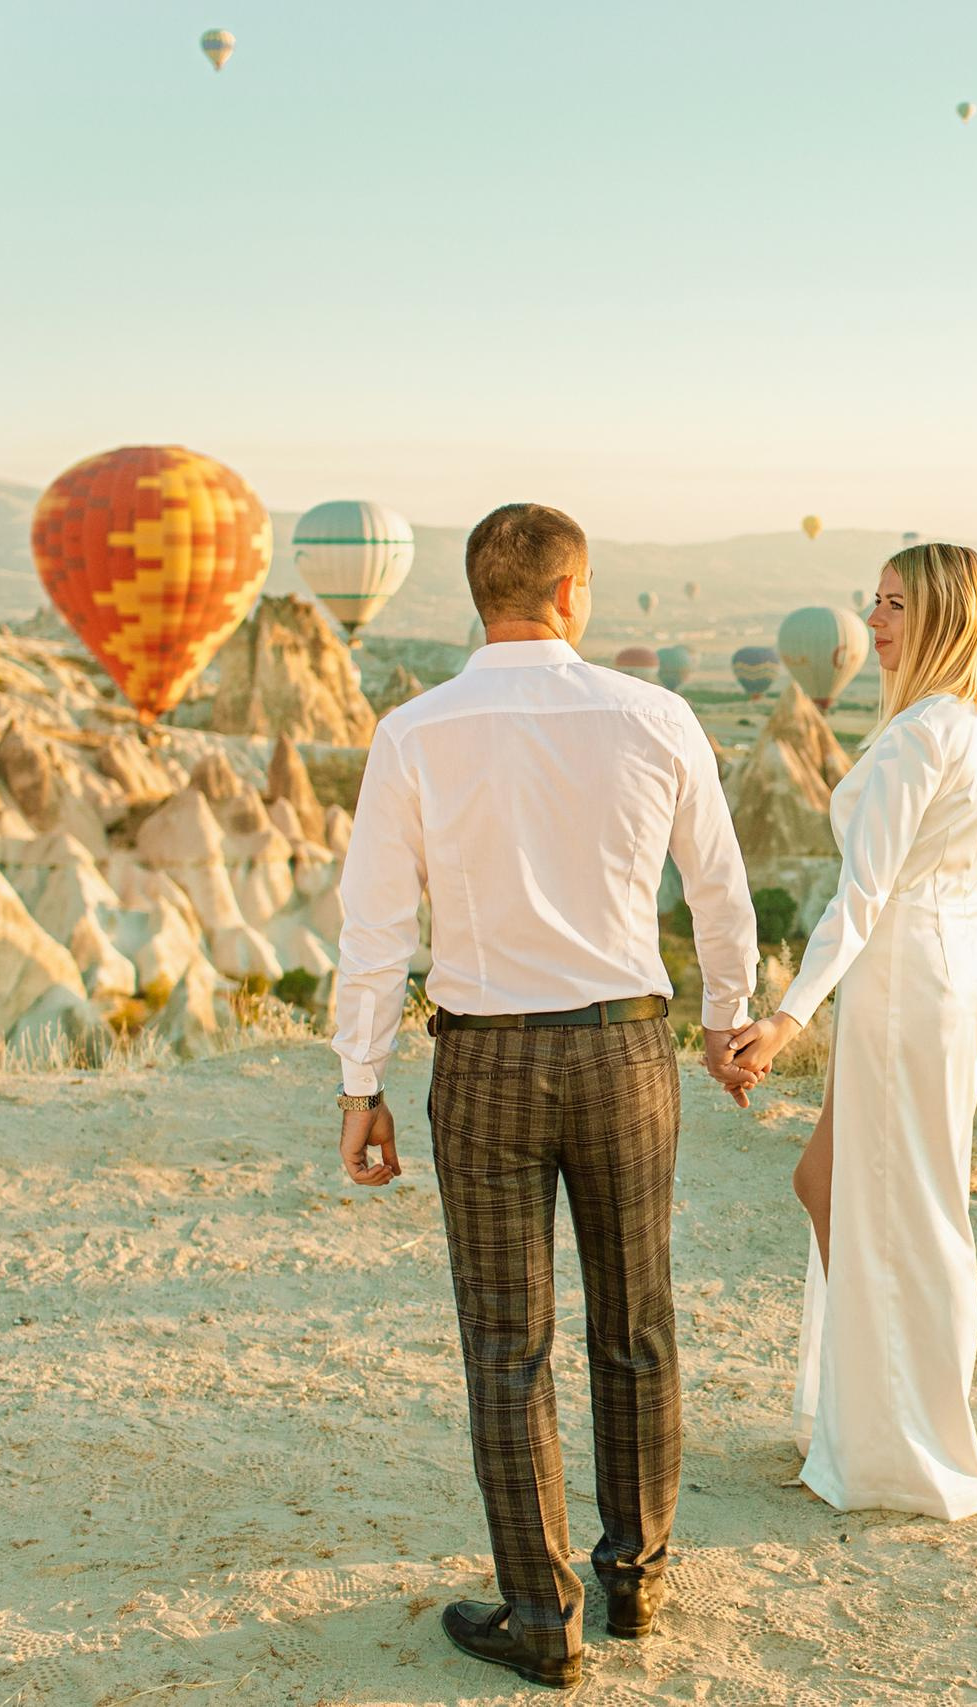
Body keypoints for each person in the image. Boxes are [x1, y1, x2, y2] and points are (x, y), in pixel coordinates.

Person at [332, 502, 760, 1690]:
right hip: (624, 1053)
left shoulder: (413, 732)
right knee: (636, 1325)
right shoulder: (655, 716)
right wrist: (729, 1022)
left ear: (478, 597)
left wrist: (359, 1078)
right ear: (573, 595)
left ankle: (540, 1616)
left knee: (507, 1349)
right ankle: (638, 1582)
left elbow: (375, 925)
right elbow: (719, 896)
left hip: (486, 1066)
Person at [728, 542, 977, 1520]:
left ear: (945, 615)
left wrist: (784, 1018)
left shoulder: (919, 738)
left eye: (897, 606)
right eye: (874, 602)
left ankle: (904, 1451)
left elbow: (858, 900)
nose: (876, 623)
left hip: (898, 974)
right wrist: (973, 1001)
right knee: (832, 1182)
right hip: (945, 979)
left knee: (902, 1206)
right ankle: (856, 1415)